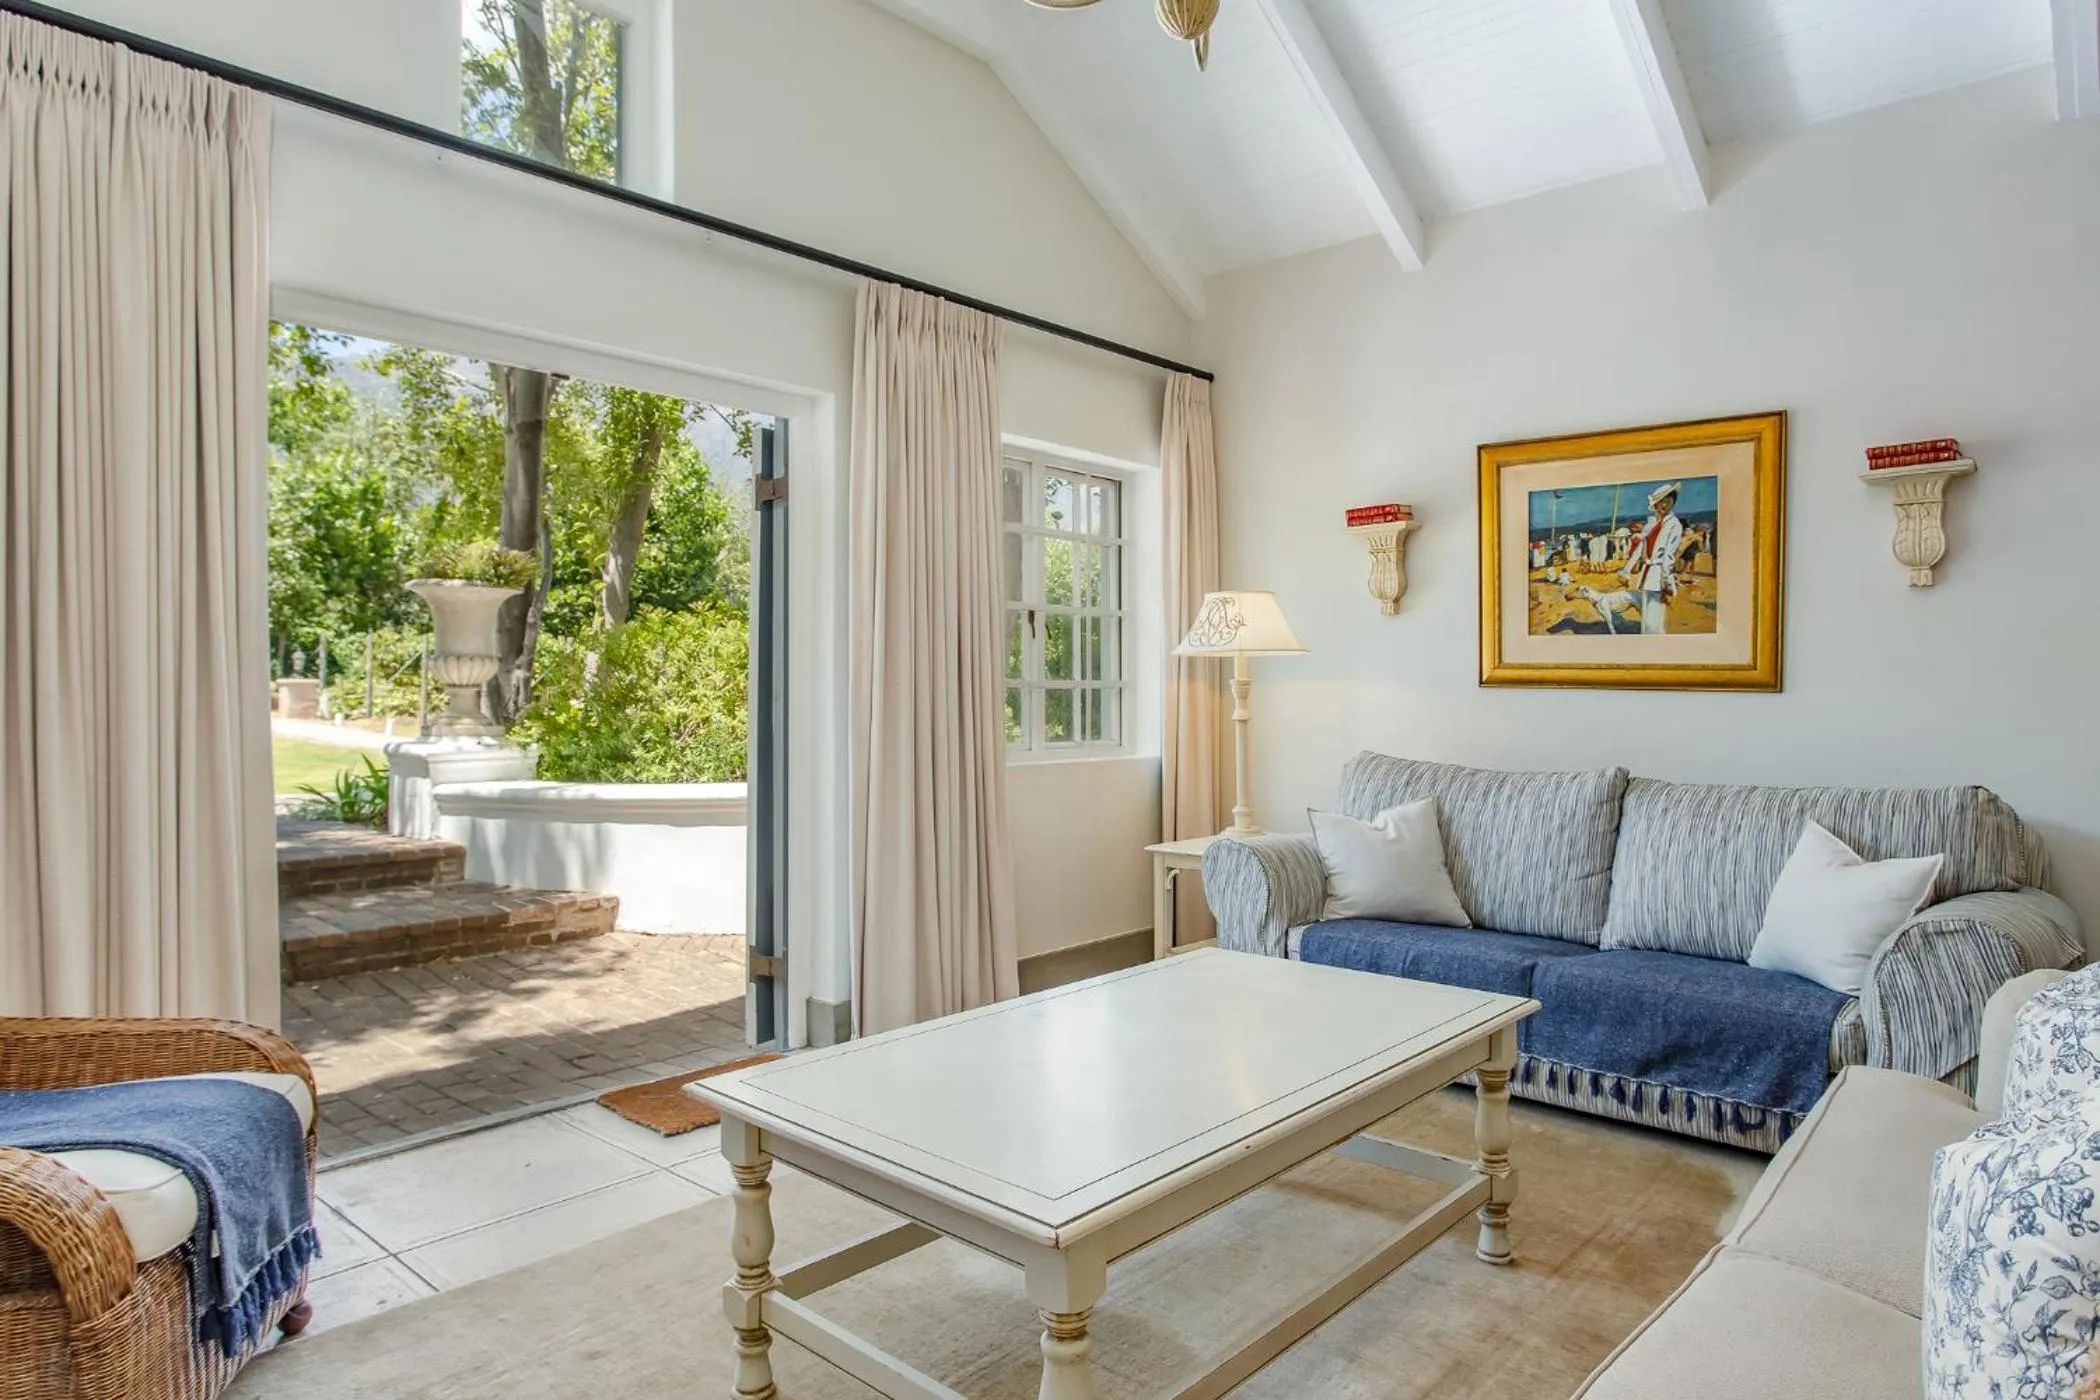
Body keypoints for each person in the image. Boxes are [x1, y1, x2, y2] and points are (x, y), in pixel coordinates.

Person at [1620, 482, 1684, 635]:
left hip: (1658, 576)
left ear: (1673, 502)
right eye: (1661, 501)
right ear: (1655, 504)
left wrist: (1666, 582)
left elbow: (1669, 555)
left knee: (1654, 618)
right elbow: (1641, 548)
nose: (1664, 505)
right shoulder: (1653, 524)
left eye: (1668, 501)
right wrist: (1626, 570)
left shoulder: (1674, 525)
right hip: (1647, 575)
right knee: (1648, 616)